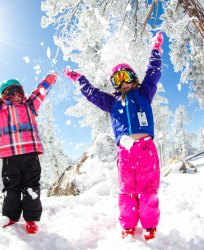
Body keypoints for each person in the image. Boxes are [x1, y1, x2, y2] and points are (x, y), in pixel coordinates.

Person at [64, 31, 163, 240]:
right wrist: (79, 79)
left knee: (148, 192)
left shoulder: (144, 93)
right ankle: (127, 226)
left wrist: (155, 50)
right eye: (117, 79)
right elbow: (92, 94)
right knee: (126, 193)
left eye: (126, 76)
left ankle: (149, 226)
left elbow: (153, 73)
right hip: (125, 154)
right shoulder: (112, 102)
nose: (123, 82)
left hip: (146, 150)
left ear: (133, 79)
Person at [0, 72, 57, 234]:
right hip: (10, 157)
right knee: (11, 187)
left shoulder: (30, 105)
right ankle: (10, 216)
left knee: (31, 187)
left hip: (30, 154)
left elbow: (41, 90)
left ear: (22, 91)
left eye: (17, 91)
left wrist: (51, 78)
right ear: (4, 96)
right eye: (9, 92)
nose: (15, 95)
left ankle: (31, 219)